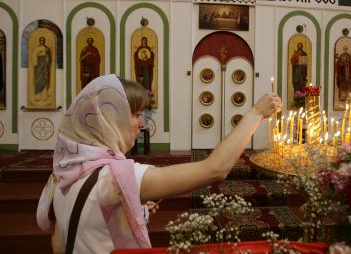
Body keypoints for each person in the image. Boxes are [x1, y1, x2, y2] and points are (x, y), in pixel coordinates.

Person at [36, 74, 281, 253]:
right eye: (134, 115)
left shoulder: (63, 173)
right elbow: (215, 169)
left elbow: (59, 242)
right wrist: (256, 113)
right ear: (109, 118)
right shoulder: (116, 177)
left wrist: (132, 206)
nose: (141, 124)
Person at [290, 42, 308, 107]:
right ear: (297, 46)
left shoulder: (304, 54)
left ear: (302, 46)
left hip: (302, 72)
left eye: (300, 45)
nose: (299, 46)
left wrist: (304, 74)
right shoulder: (295, 53)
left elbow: (304, 64)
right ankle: (296, 100)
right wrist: (295, 62)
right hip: (296, 72)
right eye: (298, 45)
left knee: (301, 85)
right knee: (296, 85)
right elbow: (292, 62)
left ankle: (302, 100)